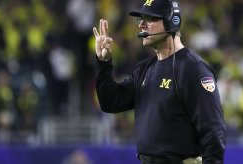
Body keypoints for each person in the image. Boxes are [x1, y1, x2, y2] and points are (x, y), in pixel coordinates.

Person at [92, 0, 226, 164]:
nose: (141, 25)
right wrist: (103, 62)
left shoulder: (193, 69)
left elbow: (213, 132)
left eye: (149, 19)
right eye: (141, 19)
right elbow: (110, 103)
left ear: (172, 22)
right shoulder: (143, 69)